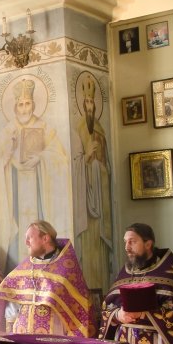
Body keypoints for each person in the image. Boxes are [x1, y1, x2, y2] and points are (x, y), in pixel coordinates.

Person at [0, 78, 70, 271]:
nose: (25, 109)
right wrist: (8, 155)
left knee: (38, 224)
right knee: (18, 232)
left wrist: (41, 157)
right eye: (21, 104)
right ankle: (16, 271)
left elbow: (60, 158)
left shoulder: (45, 128)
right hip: (15, 190)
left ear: (34, 104)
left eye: (28, 104)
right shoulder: (7, 132)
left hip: (39, 188)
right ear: (15, 107)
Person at [98, 223, 173, 344]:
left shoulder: (169, 273)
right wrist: (118, 315)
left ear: (148, 244)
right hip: (124, 341)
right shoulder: (124, 273)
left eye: (132, 242)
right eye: (125, 242)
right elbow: (108, 306)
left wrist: (143, 314)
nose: (127, 247)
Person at [0, 220, 91, 337]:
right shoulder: (25, 267)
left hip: (54, 332)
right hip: (23, 332)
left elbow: (78, 309)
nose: (26, 242)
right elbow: (9, 299)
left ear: (45, 238)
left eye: (30, 238)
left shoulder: (66, 268)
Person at [73, 75, 112, 291]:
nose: (89, 106)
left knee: (99, 248)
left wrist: (99, 166)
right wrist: (87, 157)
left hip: (100, 193)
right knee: (87, 246)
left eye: (91, 102)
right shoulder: (79, 127)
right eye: (86, 102)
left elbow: (107, 163)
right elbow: (76, 162)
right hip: (85, 199)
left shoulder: (100, 130)